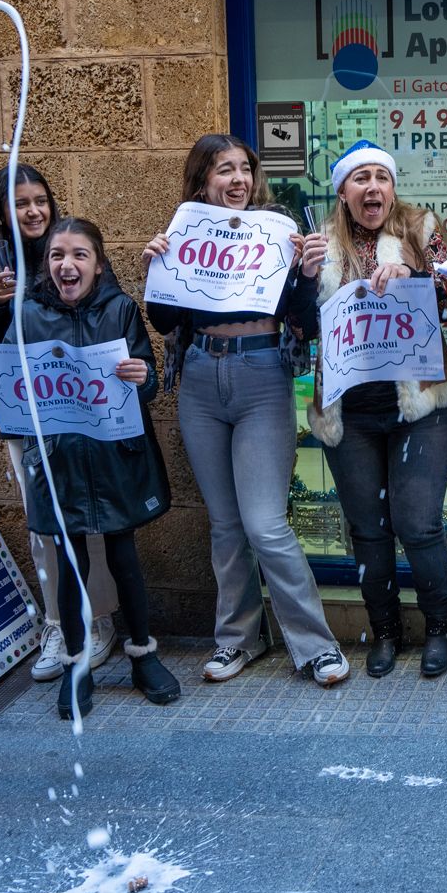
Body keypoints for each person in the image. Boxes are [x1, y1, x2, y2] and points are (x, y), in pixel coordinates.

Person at [0, 217, 180, 719]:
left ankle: (143, 655)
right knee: (71, 566)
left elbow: (144, 381)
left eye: (80, 254)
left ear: (98, 265)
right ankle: (78, 665)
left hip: (114, 459)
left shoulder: (122, 310)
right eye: (58, 255)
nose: (67, 263)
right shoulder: (26, 315)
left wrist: (143, 376)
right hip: (58, 463)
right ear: (46, 265)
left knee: (124, 560)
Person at [144, 135, 348, 688]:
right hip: (203, 380)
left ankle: (316, 646)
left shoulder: (275, 228)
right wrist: (158, 268)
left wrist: (306, 276)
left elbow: (302, 320)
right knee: (227, 525)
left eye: (243, 169)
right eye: (222, 170)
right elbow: (163, 321)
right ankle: (238, 640)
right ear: (202, 181)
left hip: (261, 376)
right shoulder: (185, 233)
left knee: (265, 524)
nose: (236, 179)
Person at [298, 140, 447, 677]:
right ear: (343, 192)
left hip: (422, 403)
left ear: (393, 187)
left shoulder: (420, 229)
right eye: (360, 179)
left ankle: (440, 629)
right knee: (368, 528)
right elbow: (300, 325)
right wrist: (301, 280)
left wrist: (415, 279)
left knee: (418, 524)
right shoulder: (318, 243)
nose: (373, 187)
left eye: (382, 178)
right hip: (351, 411)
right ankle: (386, 631)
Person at [0, 164, 121, 683]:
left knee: (93, 521)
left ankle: (100, 622)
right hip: (26, 413)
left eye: (40, 200)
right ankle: (57, 623)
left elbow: (109, 313)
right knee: (45, 530)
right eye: (20, 203)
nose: (33, 211)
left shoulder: (75, 245)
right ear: (3, 212)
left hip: (82, 410)